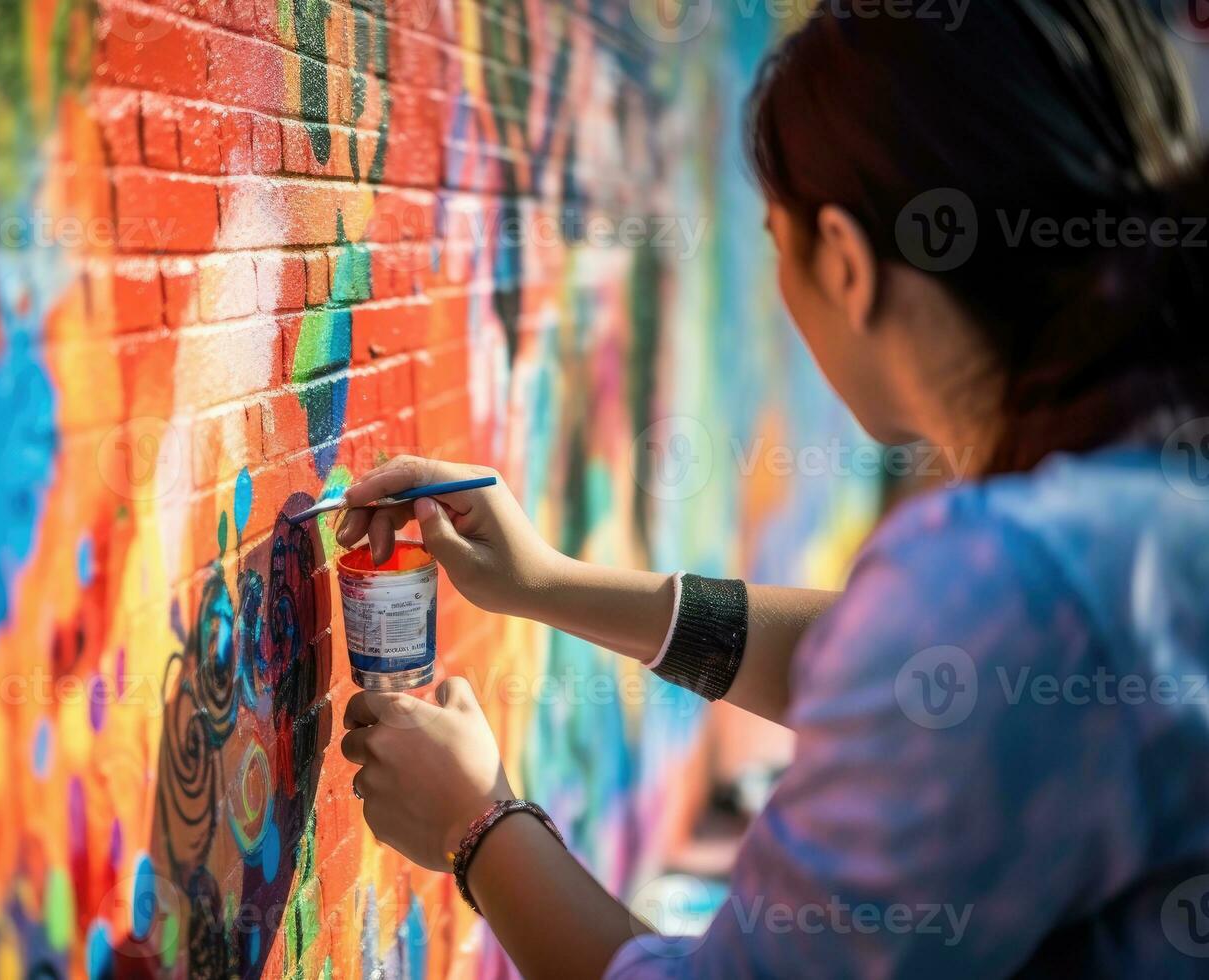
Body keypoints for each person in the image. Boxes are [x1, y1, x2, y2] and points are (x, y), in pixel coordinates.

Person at [334, 1, 1209, 976]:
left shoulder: (1017, 574)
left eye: (772, 235)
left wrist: (479, 822)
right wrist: (545, 582)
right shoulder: (1130, 519)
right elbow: (910, 667)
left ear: (842, 260)